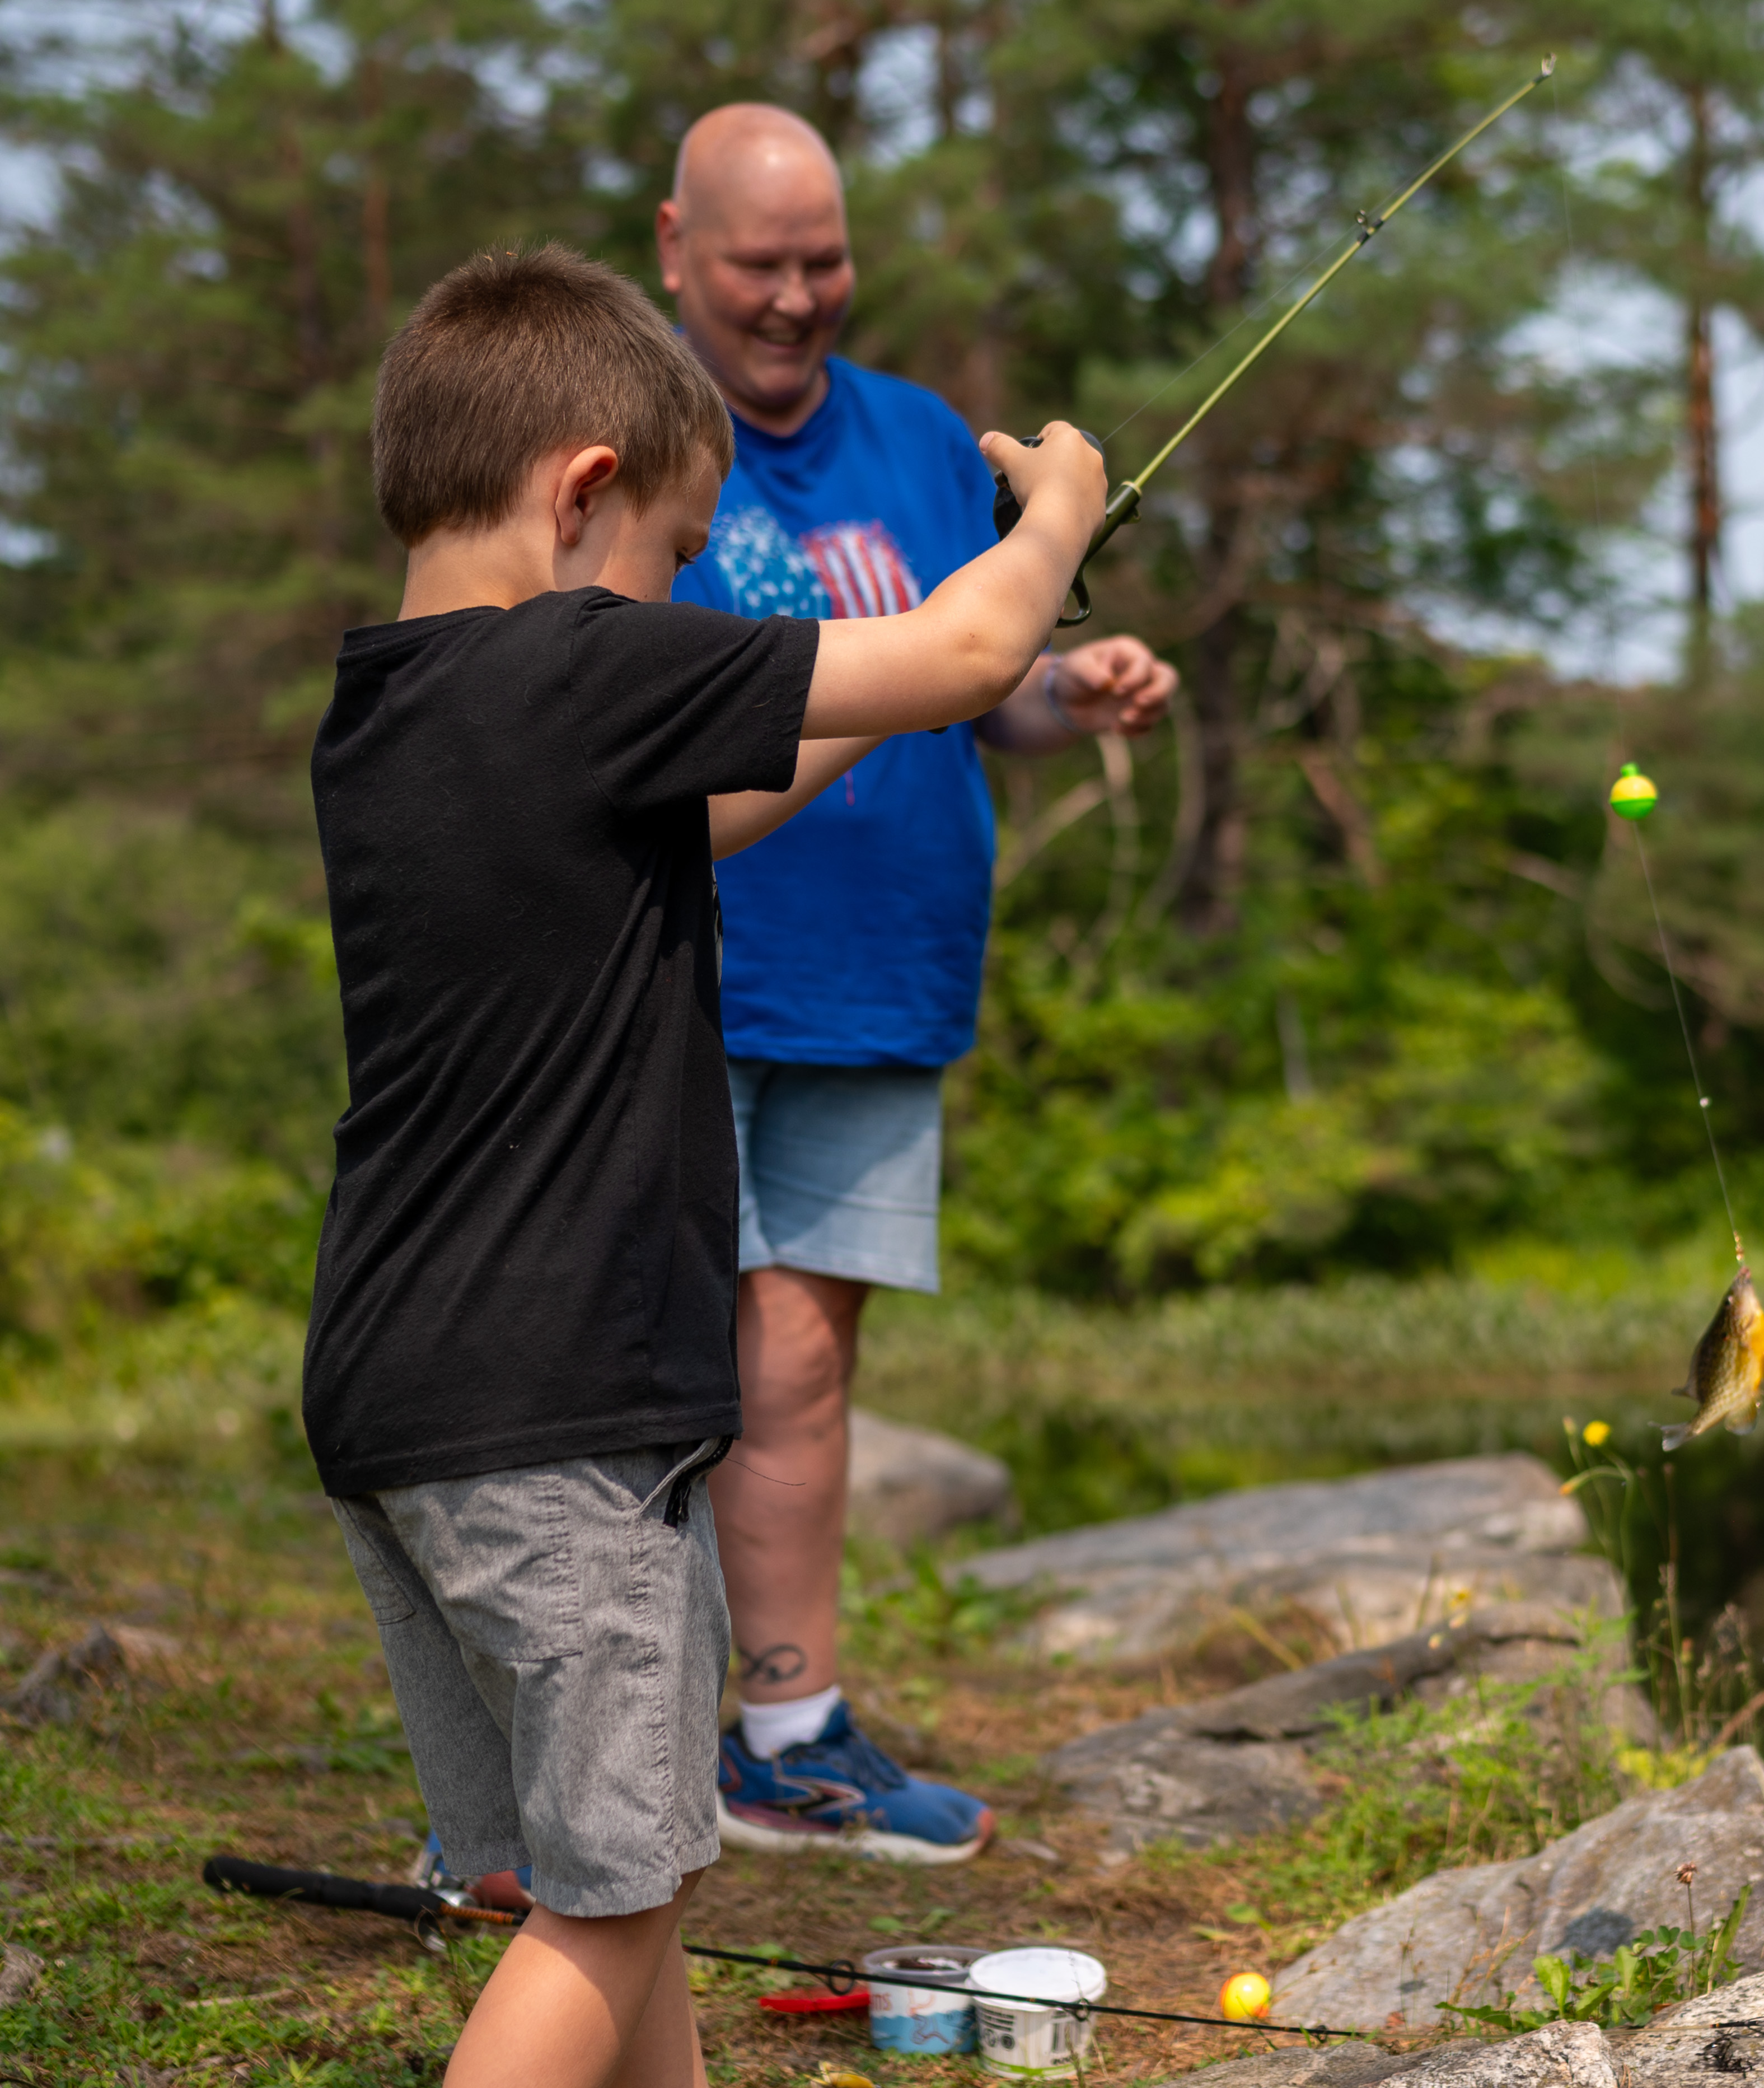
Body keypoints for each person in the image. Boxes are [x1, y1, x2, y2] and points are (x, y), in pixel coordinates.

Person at [308, 242, 1105, 2087]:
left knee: (621, 1869)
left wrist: (875, 706)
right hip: (559, 1403)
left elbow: (726, 798)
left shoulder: (396, 711)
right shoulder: (582, 666)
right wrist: (1055, 514)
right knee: (606, 1902)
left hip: (398, 1389)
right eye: (675, 552)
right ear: (586, 492)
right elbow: (980, 650)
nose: (676, 592)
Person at [656, 103, 1178, 1864]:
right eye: (758, 264)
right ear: (675, 249)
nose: (797, 297)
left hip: (888, 982)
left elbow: (975, 678)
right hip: (681, 976)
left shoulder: (920, 437)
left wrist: (1066, 688)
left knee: (804, 1364)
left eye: (825, 260)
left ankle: (788, 1735)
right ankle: (605, 1741)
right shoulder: (630, 445)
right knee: (649, 1358)